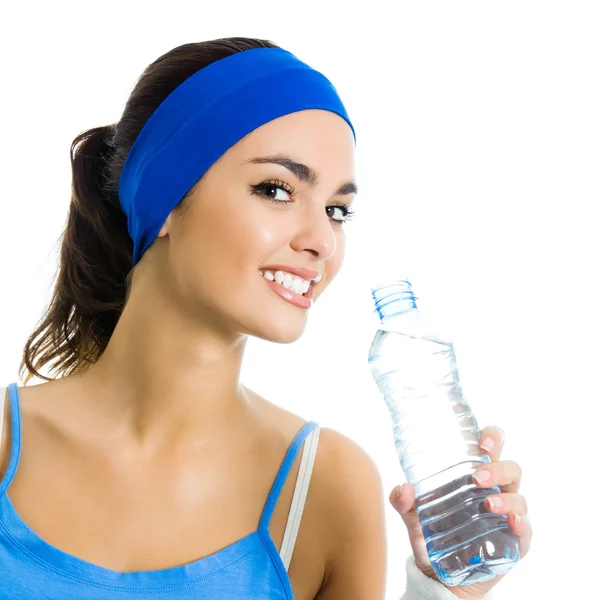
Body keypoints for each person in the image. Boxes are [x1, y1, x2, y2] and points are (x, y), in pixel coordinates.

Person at [0, 37, 531, 599]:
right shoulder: (8, 446)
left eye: (336, 210)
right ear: (166, 198)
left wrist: (442, 589)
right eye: (276, 189)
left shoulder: (325, 487)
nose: (323, 240)